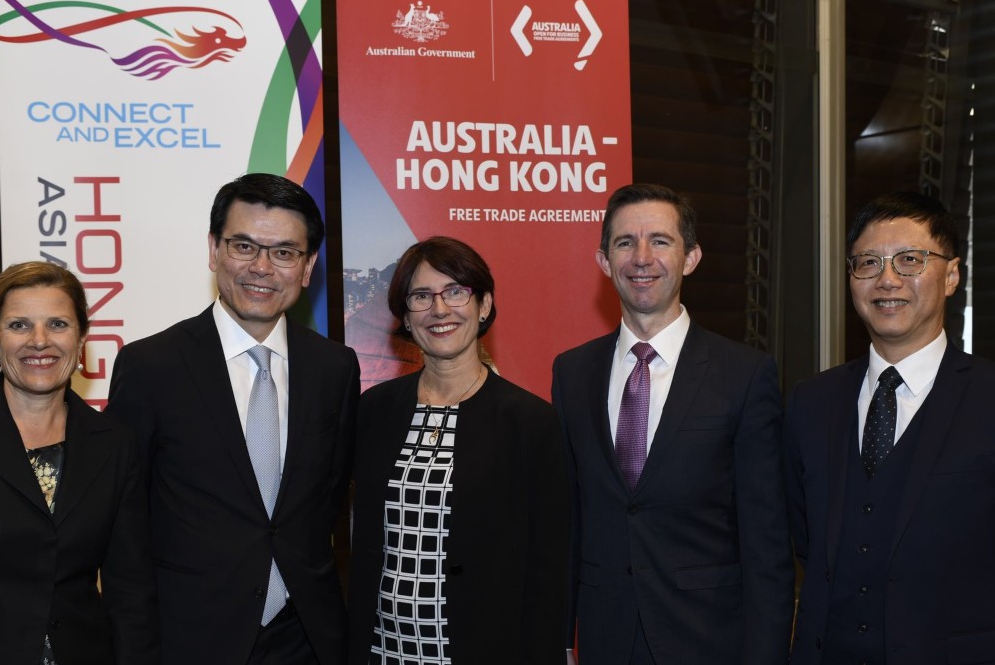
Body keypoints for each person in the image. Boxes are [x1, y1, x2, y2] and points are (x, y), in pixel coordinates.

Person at [106, 173, 360, 665]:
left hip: (306, 638)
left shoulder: (336, 368)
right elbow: (124, 524)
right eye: (244, 245)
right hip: (189, 639)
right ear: (213, 250)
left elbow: (327, 502)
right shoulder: (150, 366)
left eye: (284, 252)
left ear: (308, 267)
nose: (262, 268)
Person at [551, 183, 793, 665]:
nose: (642, 257)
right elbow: (570, 519)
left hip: (708, 639)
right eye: (625, 243)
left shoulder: (744, 375)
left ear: (691, 257)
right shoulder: (572, 372)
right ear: (603, 261)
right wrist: (561, 636)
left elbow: (766, 540)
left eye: (660, 241)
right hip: (605, 638)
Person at [785, 191, 995, 664]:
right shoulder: (810, 402)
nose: (887, 280)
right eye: (868, 263)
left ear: (952, 275)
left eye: (909, 260)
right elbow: (803, 538)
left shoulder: (988, 398)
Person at [348, 236, 568, 665]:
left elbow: (548, 568)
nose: (439, 309)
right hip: (383, 646)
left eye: (455, 292)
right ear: (406, 318)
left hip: (483, 647)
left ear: (483, 305)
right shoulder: (375, 409)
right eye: (421, 296)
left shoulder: (530, 421)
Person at [0, 261, 158, 665]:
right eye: (19, 325)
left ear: (82, 338)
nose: (39, 342)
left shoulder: (114, 444)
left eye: (57, 324)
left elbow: (130, 592)